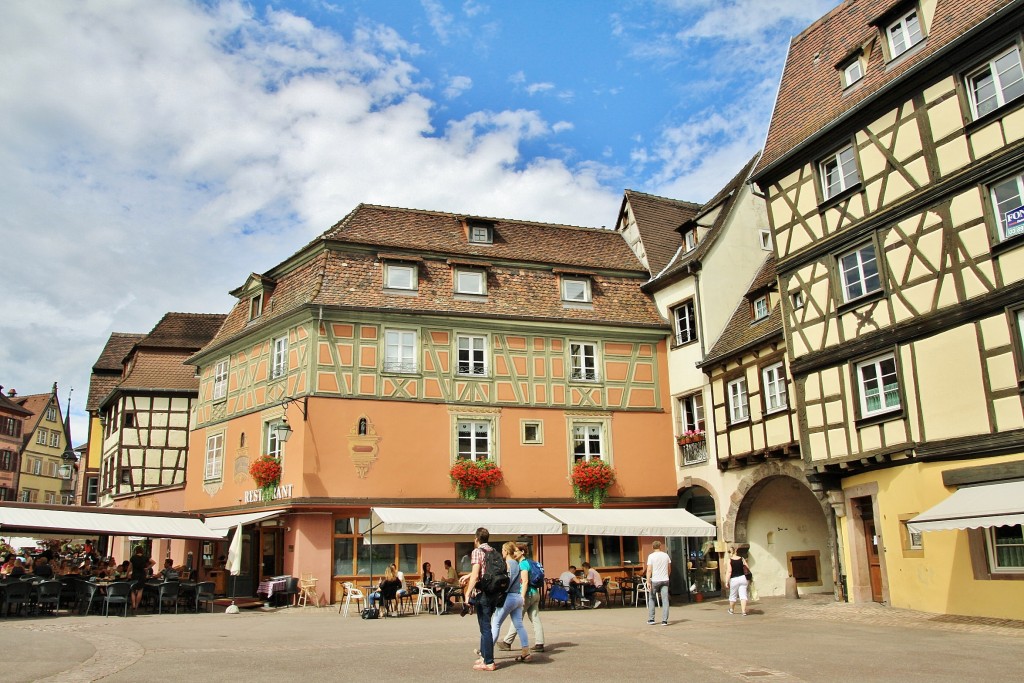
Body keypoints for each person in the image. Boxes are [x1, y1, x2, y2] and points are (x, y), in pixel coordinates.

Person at [461, 527, 500, 671]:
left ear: (476, 539)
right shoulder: (493, 551)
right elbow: (484, 572)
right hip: (494, 592)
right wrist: (468, 575)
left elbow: (477, 575)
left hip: (482, 593)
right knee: (485, 626)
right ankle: (484, 657)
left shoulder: (477, 551)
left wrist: (467, 593)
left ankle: (489, 662)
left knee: (485, 628)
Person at [498, 543, 544, 653]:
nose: (514, 553)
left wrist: (522, 597)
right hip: (535, 593)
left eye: (516, 551)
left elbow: (525, 581)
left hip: (527, 594)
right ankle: (539, 643)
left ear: (522, 552)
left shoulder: (523, 564)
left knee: (517, 618)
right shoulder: (531, 562)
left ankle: (507, 642)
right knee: (535, 618)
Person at [490, 541, 531, 663]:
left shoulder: (507, 564)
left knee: (496, 623)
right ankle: (526, 650)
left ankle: (486, 651)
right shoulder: (518, 564)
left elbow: (505, 582)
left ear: (506, 551)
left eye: (502, 550)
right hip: (517, 596)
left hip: (508, 597)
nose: (501, 552)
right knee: (519, 624)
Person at [645, 540, 671, 626]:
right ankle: (664, 620)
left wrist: (648, 581)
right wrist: (667, 576)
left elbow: (649, 570)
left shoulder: (651, 556)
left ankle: (651, 619)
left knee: (652, 598)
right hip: (665, 580)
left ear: (652, 547)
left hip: (655, 580)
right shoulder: (666, 555)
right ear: (660, 546)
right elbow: (669, 568)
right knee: (665, 600)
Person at [724, 546, 750, 616]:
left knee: (733, 595)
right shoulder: (742, 559)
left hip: (734, 579)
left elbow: (729, 571)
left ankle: (731, 610)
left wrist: (726, 581)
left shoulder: (729, 560)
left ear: (730, 553)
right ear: (736, 551)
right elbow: (747, 567)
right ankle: (743, 611)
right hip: (743, 578)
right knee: (743, 595)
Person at [130, 546, 155, 610]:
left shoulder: (133, 558)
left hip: (135, 574)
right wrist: (147, 568)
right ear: (142, 551)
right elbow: (153, 562)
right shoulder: (145, 557)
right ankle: (137, 606)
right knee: (140, 590)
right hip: (142, 575)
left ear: (136, 551)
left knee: (133, 590)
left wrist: (127, 574)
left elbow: (130, 566)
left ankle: (133, 604)